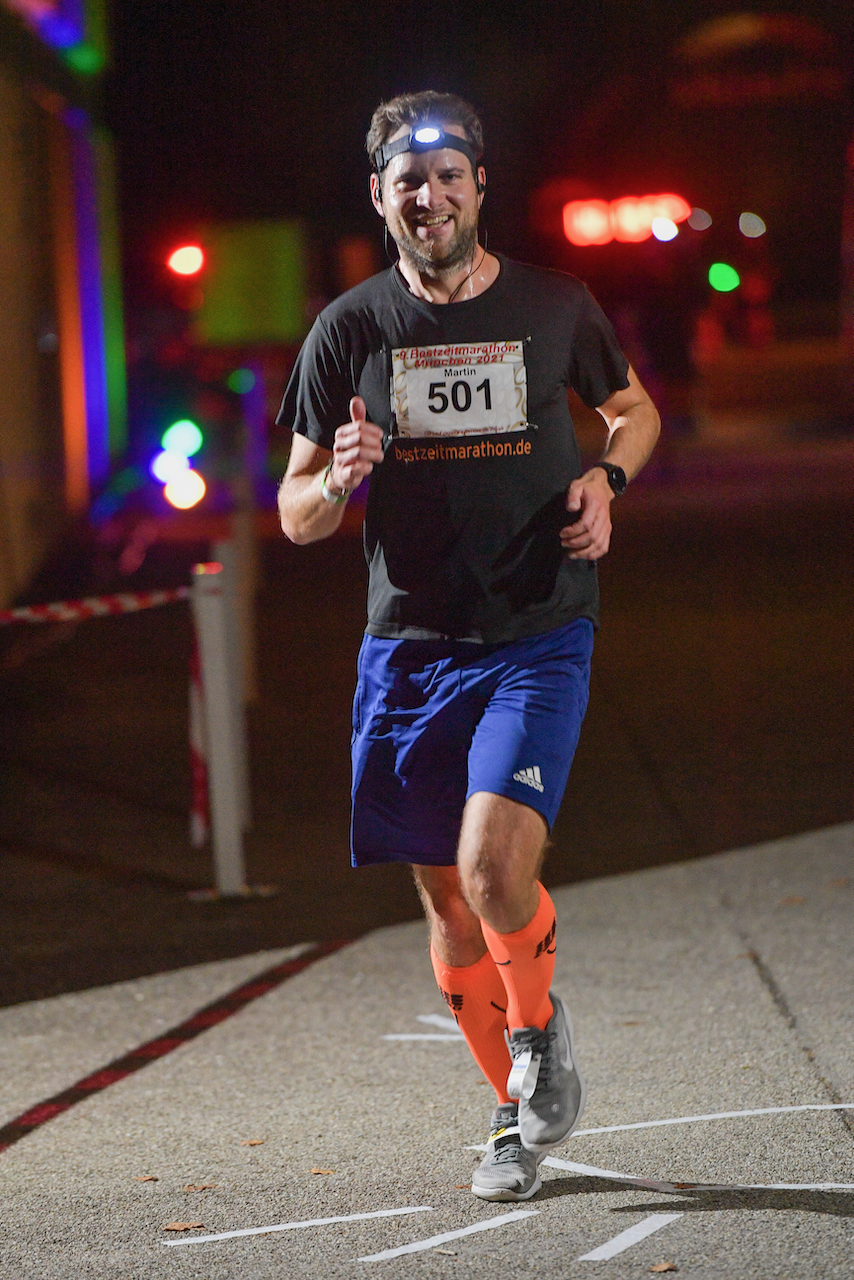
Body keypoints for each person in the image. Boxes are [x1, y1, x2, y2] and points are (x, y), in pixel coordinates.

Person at [277, 90, 660, 1202]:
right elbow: (294, 510)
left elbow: (630, 409)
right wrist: (337, 477)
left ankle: (535, 1033)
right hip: (406, 648)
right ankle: (512, 1110)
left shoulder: (555, 304)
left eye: (448, 176)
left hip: (536, 629)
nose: (428, 196)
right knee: (446, 900)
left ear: (478, 186)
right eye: (407, 179)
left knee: (494, 870)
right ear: (378, 195)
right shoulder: (349, 330)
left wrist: (606, 475)